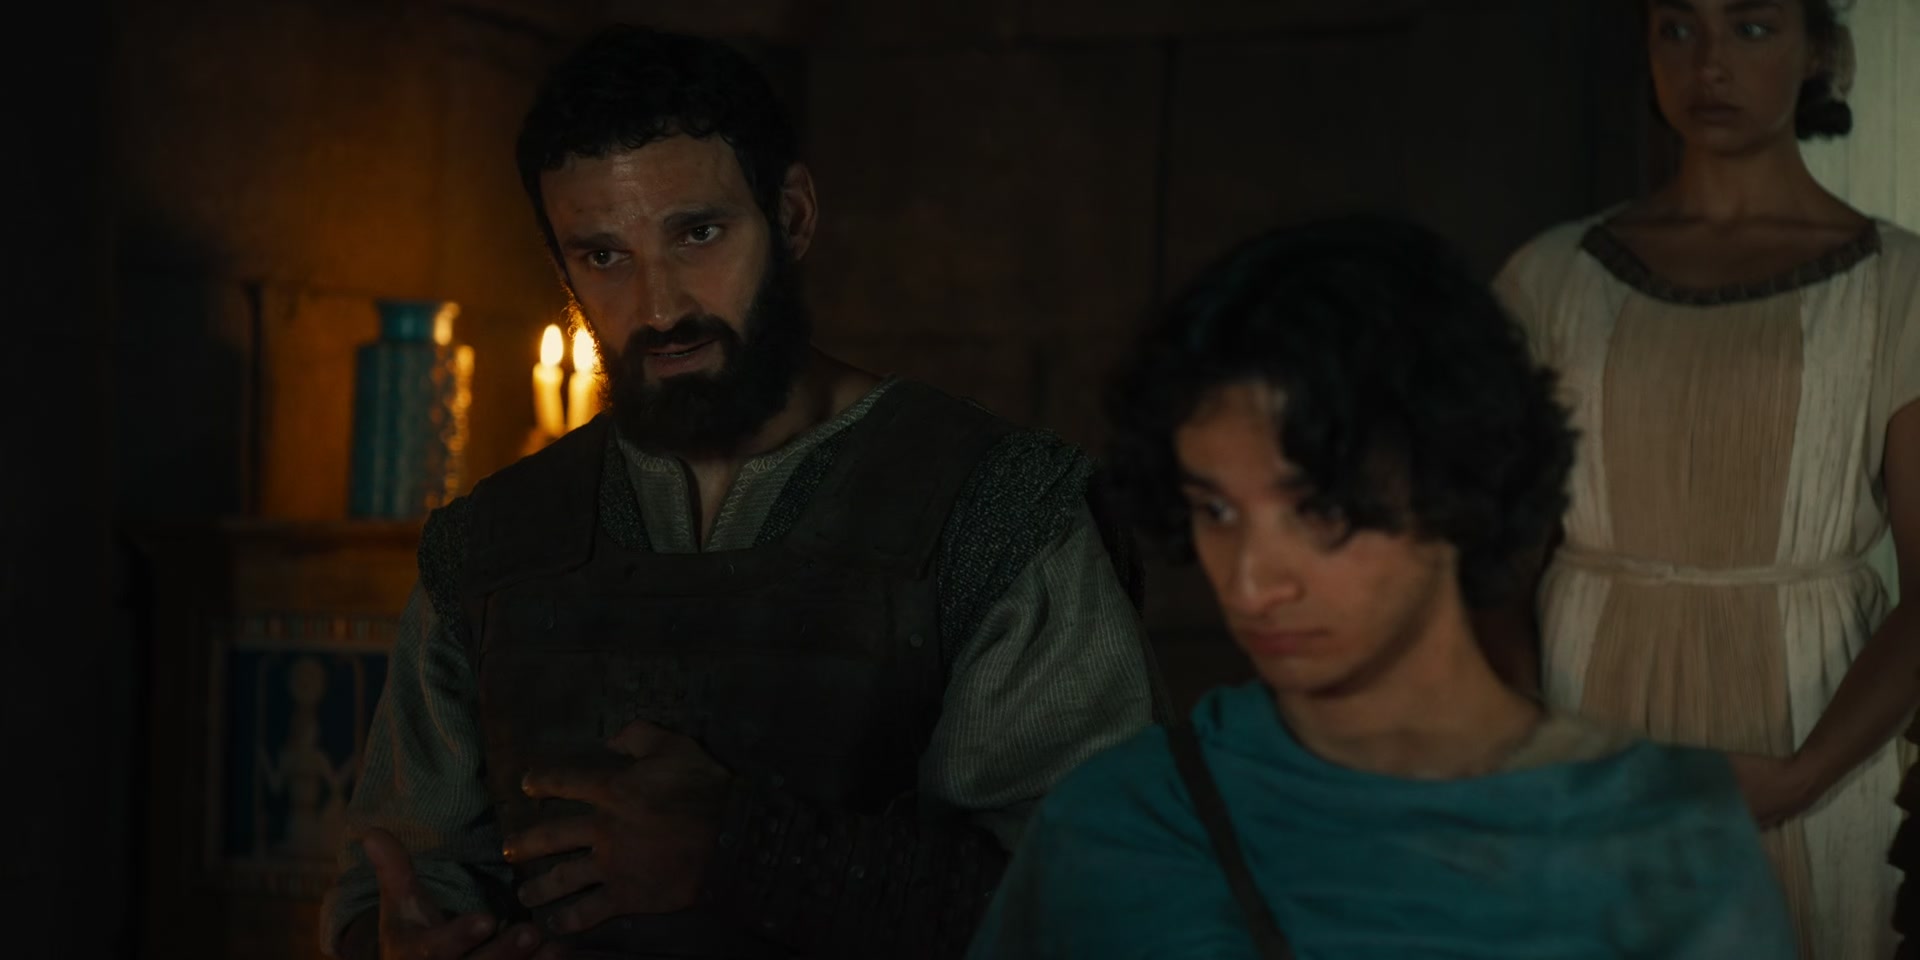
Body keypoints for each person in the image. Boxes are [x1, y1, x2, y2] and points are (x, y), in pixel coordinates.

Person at [318, 25, 1162, 960]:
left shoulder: (997, 512)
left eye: (698, 233)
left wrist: (752, 856)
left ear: (791, 217)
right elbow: (391, 885)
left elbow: (1104, 907)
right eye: (603, 256)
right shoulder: (488, 546)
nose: (660, 306)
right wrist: (396, 943)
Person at [964, 216, 1799, 959]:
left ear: (1455, 478)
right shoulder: (1121, 820)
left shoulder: (1661, 835)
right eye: (1216, 510)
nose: (1252, 581)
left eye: (1320, 510)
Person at [1491, 1, 1919, 954]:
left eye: (1752, 27)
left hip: (1808, 724)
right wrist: (1527, 742)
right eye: (1677, 29)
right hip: (1589, 720)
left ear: (1819, 49)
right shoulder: (1551, 277)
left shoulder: (1901, 286)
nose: (1709, 63)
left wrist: (1804, 773)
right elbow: (1495, 556)